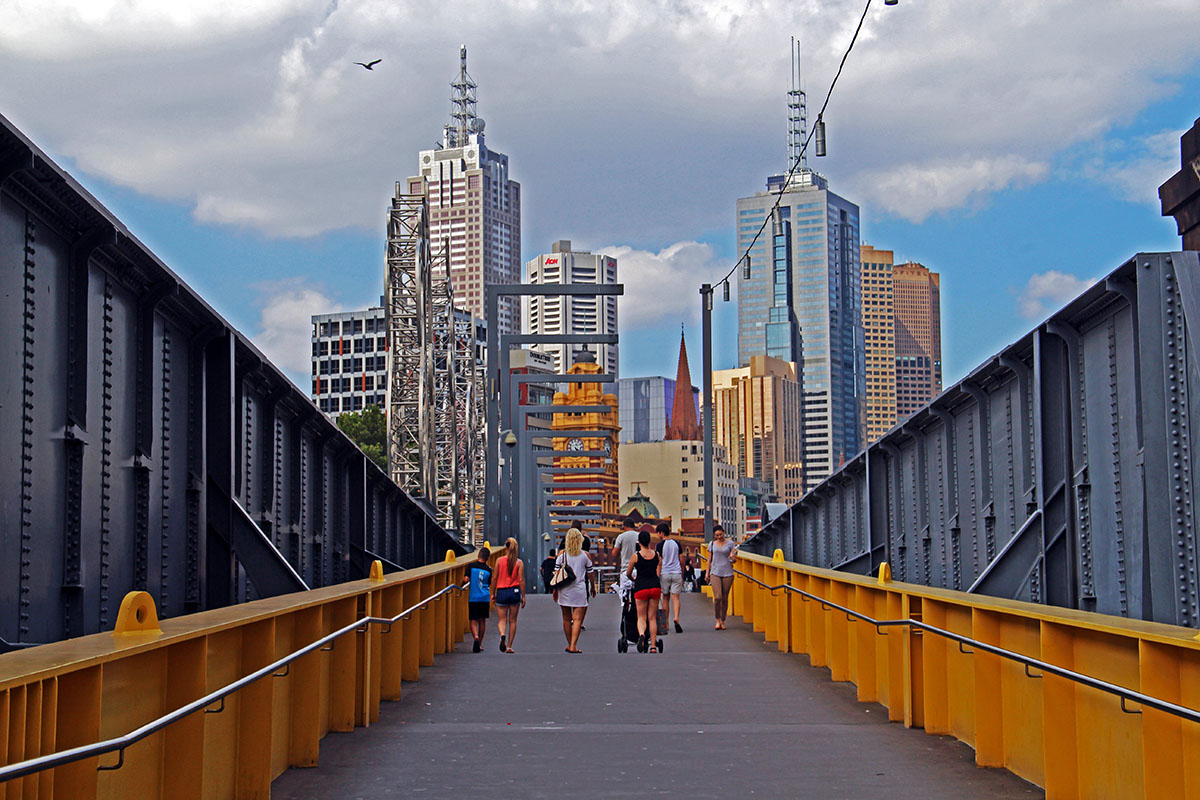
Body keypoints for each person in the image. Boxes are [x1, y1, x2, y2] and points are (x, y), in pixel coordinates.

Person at [552, 527, 595, 653]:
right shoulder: (584, 555)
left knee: (566, 618)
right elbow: (590, 573)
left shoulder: (562, 555)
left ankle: (569, 643)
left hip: (564, 590)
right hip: (579, 590)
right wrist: (592, 587)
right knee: (577, 619)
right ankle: (573, 645)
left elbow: (556, 574)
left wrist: (555, 590)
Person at [626, 529, 662, 652]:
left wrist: (634, 579)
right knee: (652, 617)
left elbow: (628, 573)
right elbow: (658, 571)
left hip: (641, 587)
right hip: (655, 587)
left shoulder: (636, 556)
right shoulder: (656, 555)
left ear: (639, 542)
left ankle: (641, 635)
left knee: (641, 617)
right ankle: (652, 646)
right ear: (649, 541)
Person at [493, 537, 526, 653]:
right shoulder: (519, 562)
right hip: (514, 592)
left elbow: (495, 577)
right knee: (513, 620)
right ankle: (509, 646)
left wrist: (493, 593)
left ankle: (502, 634)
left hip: (501, 591)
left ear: (505, 547)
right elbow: (521, 580)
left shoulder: (499, 560)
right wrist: (523, 596)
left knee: (502, 620)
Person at [708, 524, 738, 630]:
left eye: (720, 534)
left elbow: (734, 560)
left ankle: (723, 620)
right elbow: (709, 560)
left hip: (728, 573)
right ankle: (717, 619)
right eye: (717, 535)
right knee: (717, 597)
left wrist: (732, 557)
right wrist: (707, 573)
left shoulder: (730, 544)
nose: (719, 537)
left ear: (724, 533)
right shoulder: (712, 544)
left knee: (725, 598)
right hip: (715, 572)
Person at [656, 523, 684, 633]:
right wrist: (682, 575)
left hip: (665, 573)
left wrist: (657, 575)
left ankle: (666, 623)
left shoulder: (660, 546)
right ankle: (676, 618)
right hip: (676, 572)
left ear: (661, 533)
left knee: (665, 598)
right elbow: (681, 560)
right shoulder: (677, 544)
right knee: (676, 598)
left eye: (658, 533)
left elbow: (659, 562)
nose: (658, 535)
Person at [464, 547, 492, 651]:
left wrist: (461, 585)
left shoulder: (471, 566)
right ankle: (479, 644)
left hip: (474, 597)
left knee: (473, 619)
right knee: (482, 621)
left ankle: (475, 636)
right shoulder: (488, 569)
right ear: (488, 558)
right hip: (484, 597)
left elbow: (466, 579)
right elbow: (488, 583)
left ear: (478, 555)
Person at [611, 517, 640, 596]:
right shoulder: (639, 535)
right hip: (638, 570)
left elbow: (614, 553)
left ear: (624, 527)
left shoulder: (621, 537)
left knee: (625, 598)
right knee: (637, 596)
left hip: (626, 570)